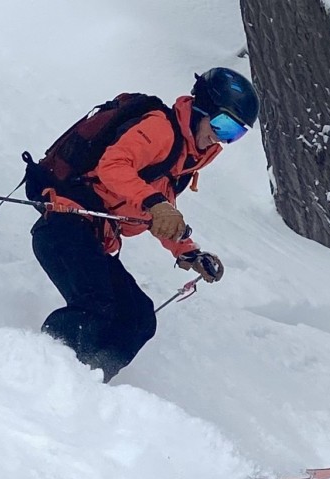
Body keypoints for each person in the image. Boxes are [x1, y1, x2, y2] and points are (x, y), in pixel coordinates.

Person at [30, 67, 260, 381]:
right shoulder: (160, 129)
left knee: (138, 318)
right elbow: (113, 166)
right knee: (97, 305)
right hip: (64, 224)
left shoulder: (181, 157)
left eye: (234, 133)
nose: (220, 137)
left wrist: (189, 253)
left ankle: (87, 379)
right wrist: (154, 203)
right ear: (202, 108)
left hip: (93, 237)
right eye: (222, 124)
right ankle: (39, 372)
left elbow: (160, 211)